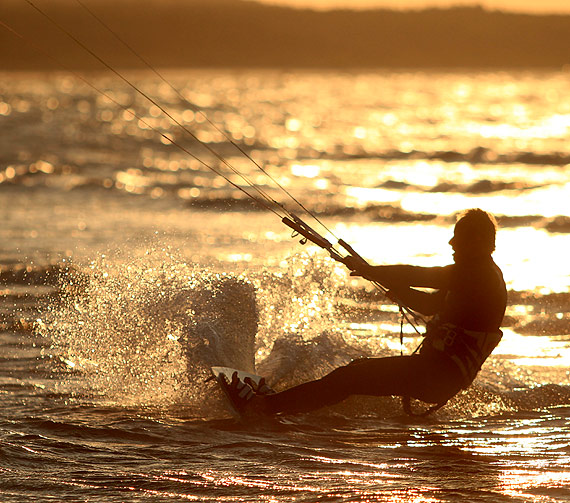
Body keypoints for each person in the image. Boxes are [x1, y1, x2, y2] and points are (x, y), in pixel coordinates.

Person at [228, 208, 507, 416]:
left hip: (437, 375)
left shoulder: (480, 275)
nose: (451, 243)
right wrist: (397, 290)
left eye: (459, 238)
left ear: (479, 241)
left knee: (349, 379)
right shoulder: (472, 274)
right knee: (354, 370)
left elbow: (421, 274)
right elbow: (429, 305)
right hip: (436, 373)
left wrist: (371, 271)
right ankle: (278, 404)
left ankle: (262, 408)